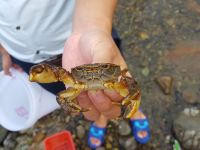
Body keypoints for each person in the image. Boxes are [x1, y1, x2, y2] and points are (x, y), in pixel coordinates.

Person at [0, 0, 150, 148]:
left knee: (125, 87)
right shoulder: (67, 76)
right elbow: (63, 97)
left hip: (85, 35)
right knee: (78, 99)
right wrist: (4, 50)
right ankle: (100, 118)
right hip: (23, 55)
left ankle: (133, 111)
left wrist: (93, 25)